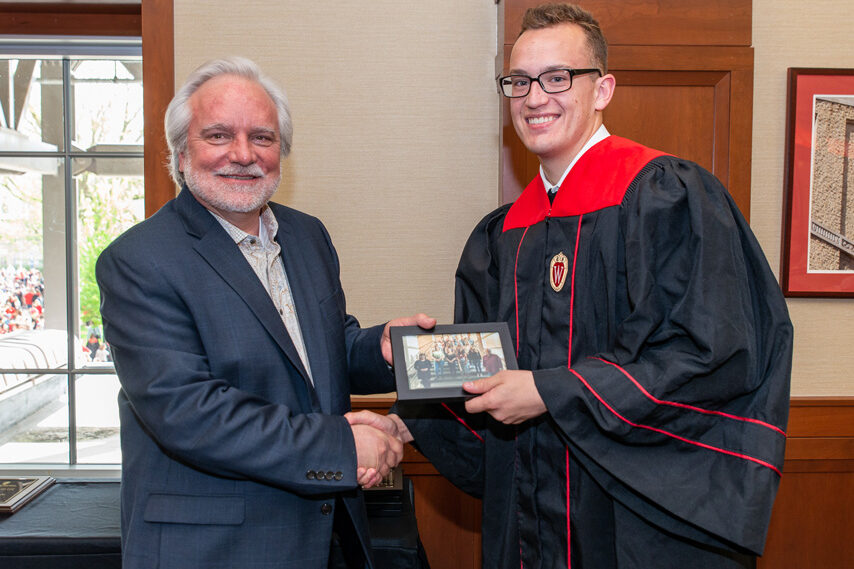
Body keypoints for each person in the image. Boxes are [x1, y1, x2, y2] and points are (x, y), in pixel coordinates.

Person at [387, 4, 793, 568]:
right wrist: (404, 421)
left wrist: (552, 392)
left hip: (635, 521)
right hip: (529, 522)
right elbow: (482, 379)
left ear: (602, 89)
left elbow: (712, 356)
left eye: (558, 78)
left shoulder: (666, 198)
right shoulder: (501, 236)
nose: (535, 97)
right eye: (519, 81)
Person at [96, 56, 433, 569]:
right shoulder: (139, 260)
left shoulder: (306, 235)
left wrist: (378, 347)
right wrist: (341, 445)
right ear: (181, 153)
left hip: (324, 534)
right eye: (218, 136)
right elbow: (190, 413)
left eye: (262, 137)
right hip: (213, 549)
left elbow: (318, 348)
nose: (243, 154)